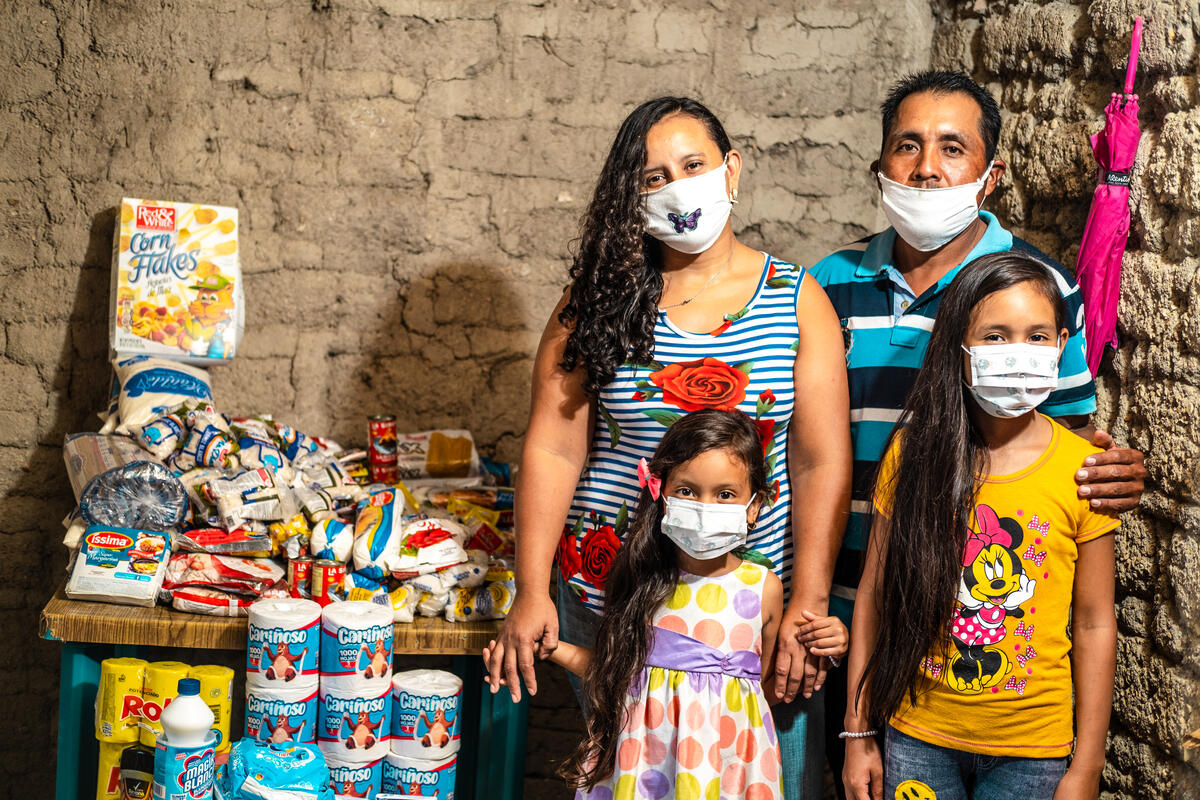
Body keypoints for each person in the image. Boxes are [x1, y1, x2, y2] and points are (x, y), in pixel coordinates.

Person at [487, 96, 852, 800]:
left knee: (762, 778)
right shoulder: (596, 302)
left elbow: (820, 461)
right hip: (612, 600)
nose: (677, 188)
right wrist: (531, 590)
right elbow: (553, 449)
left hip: (751, 611)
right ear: (631, 196)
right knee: (638, 780)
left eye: (693, 166)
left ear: (731, 169)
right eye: (653, 177)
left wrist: (807, 600)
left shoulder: (796, 298)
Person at [808, 70, 1146, 791]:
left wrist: (1112, 471)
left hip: (982, 634)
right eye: (907, 145)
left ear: (992, 175)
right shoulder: (827, 284)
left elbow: (1064, 445)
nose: (927, 168)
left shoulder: (1039, 291)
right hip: (845, 612)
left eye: (953, 148)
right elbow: (795, 444)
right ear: (880, 164)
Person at [842, 250, 1118, 800]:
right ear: (959, 349)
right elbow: (874, 596)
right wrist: (858, 733)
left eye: (1037, 336)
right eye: (995, 336)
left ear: (1061, 345)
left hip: (1032, 748)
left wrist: (1087, 765)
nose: (1018, 351)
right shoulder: (914, 455)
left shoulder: (1085, 471)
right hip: (917, 734)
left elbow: (1093, 623)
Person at [484, 410, 849, 799]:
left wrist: (827, 644)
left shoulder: (763, 589)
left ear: (754, 505)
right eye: (687, 491)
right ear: (661, 494)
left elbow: (764, 686)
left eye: (725, 494)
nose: (705, 506)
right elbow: (613, 672)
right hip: (641, 769)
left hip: (725, 771)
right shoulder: (640, 580)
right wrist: (550, 648)